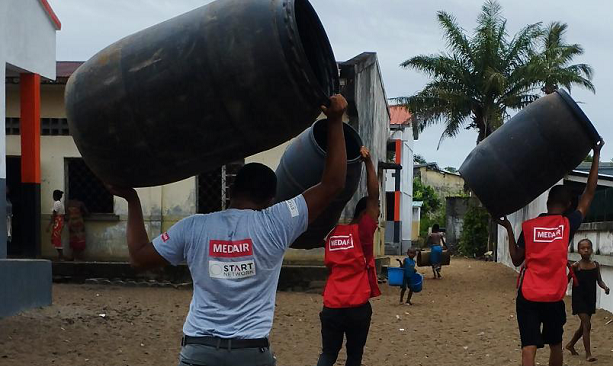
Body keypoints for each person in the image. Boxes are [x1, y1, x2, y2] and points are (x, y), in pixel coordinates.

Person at [106, 94, 349, 366]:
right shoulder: (278, 222)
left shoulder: (194, 227)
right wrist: (335, 121)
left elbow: (138, 257)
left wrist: (132, 200)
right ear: (271, 200)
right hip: (251, 353)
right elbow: (333, 184)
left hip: (199, 351)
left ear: (231, 192)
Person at [496, 139, 603, 366]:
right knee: (555, 344)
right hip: (553, 296)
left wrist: (507, 228)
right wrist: (596, 153)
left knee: (528, 347)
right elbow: (590, 193)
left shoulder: (529, 226)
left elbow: (516, 260)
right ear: (568, 204)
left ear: (547, 202)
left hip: (528, 295)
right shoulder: (567, 224)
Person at [316, 146, 381, 366]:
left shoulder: (333, 234)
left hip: (332, 306)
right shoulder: (363, 232)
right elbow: (374, 195)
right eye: (376, 212)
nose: (377, 216)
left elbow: (329, 267)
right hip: (356, 307)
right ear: (366, 214)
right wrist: (369, 162)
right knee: (354, 356)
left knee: (328, 354)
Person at [566, 238, 610, 362]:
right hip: (579, 299)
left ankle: (570, 345)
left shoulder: (595, 265)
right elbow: (567, 280)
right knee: (587, 324)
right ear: (579, 250)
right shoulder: (576, 266)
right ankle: (588, 354)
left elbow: (599, 280)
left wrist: (605, 287)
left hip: (590, 298)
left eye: (588, 248)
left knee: (583, 327)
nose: (586, 250)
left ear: (591, 249)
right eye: (582, 248)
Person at [49, 189, 66, 260]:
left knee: (56, 238)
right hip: (60, 221)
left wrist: (49, 224)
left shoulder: (56, 203)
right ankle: (60, 255)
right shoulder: (61, 203)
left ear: (55, 196)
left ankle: (61, 255)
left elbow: (54, 214)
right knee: (56, 237)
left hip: (58, 221)